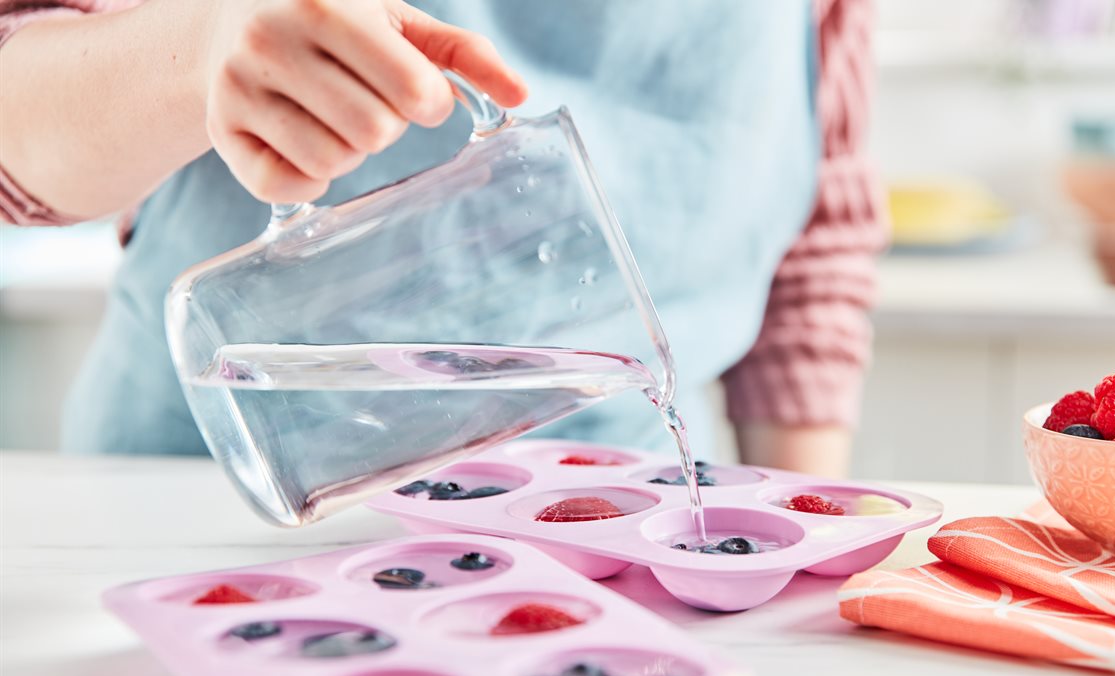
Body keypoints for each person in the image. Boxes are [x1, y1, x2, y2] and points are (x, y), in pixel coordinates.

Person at [0, 0, 883, 478]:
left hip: (615, 510)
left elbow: (815, 223)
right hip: (216, 492)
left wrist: (805, 553)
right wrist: (199, 48)